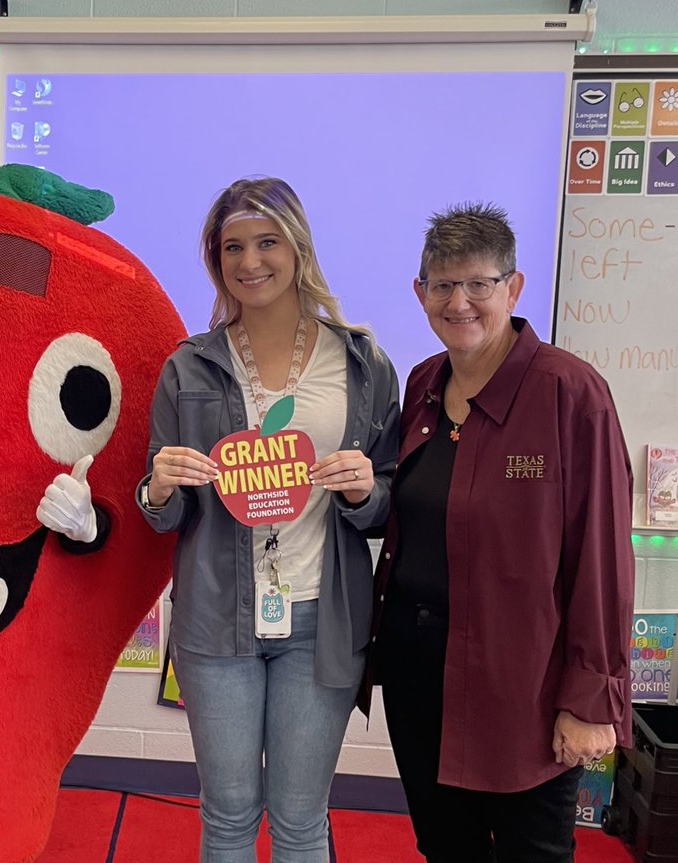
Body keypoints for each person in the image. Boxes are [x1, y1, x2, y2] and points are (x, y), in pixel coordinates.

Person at [136, 177, 400, 862]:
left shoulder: (362, 364)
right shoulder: (187, 366)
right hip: (215, 617)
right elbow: (164, 514)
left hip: (323, 619)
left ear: (298, 247)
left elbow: (387, 500)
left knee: (300, 818)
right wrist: (160, 490)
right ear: (216, 260)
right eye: (232, 247)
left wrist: (365, 490)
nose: (250, 261)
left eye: (266, 241)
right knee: (226, 816)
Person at [370, 202, 633, 863]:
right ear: (420, 292)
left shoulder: (570, 393)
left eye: (479, 283)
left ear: (513, 289)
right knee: (445, 846)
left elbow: (600, 558)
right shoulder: (424, 383)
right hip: (417, 671)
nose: (460, 301)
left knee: (530, 852)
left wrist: (591, 696)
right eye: (442, 284)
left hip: (523, 683)